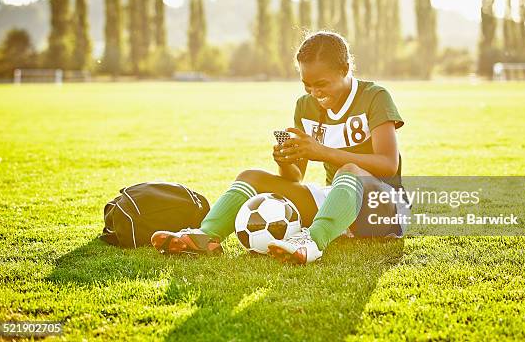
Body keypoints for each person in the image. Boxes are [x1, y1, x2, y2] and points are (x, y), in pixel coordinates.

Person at [151, 31, 410, 264]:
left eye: (321, 84)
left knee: (349, 171)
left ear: (345, 69)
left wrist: (322, 152)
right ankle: (205, 236)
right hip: (337, 200)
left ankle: (312, 242)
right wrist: (285, 159)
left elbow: (389, 165)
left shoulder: (375, 96)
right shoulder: (305, 106)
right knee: (250, 176)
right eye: (307, 85)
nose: (314, 93)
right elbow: (295, 178)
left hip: (383, 207)